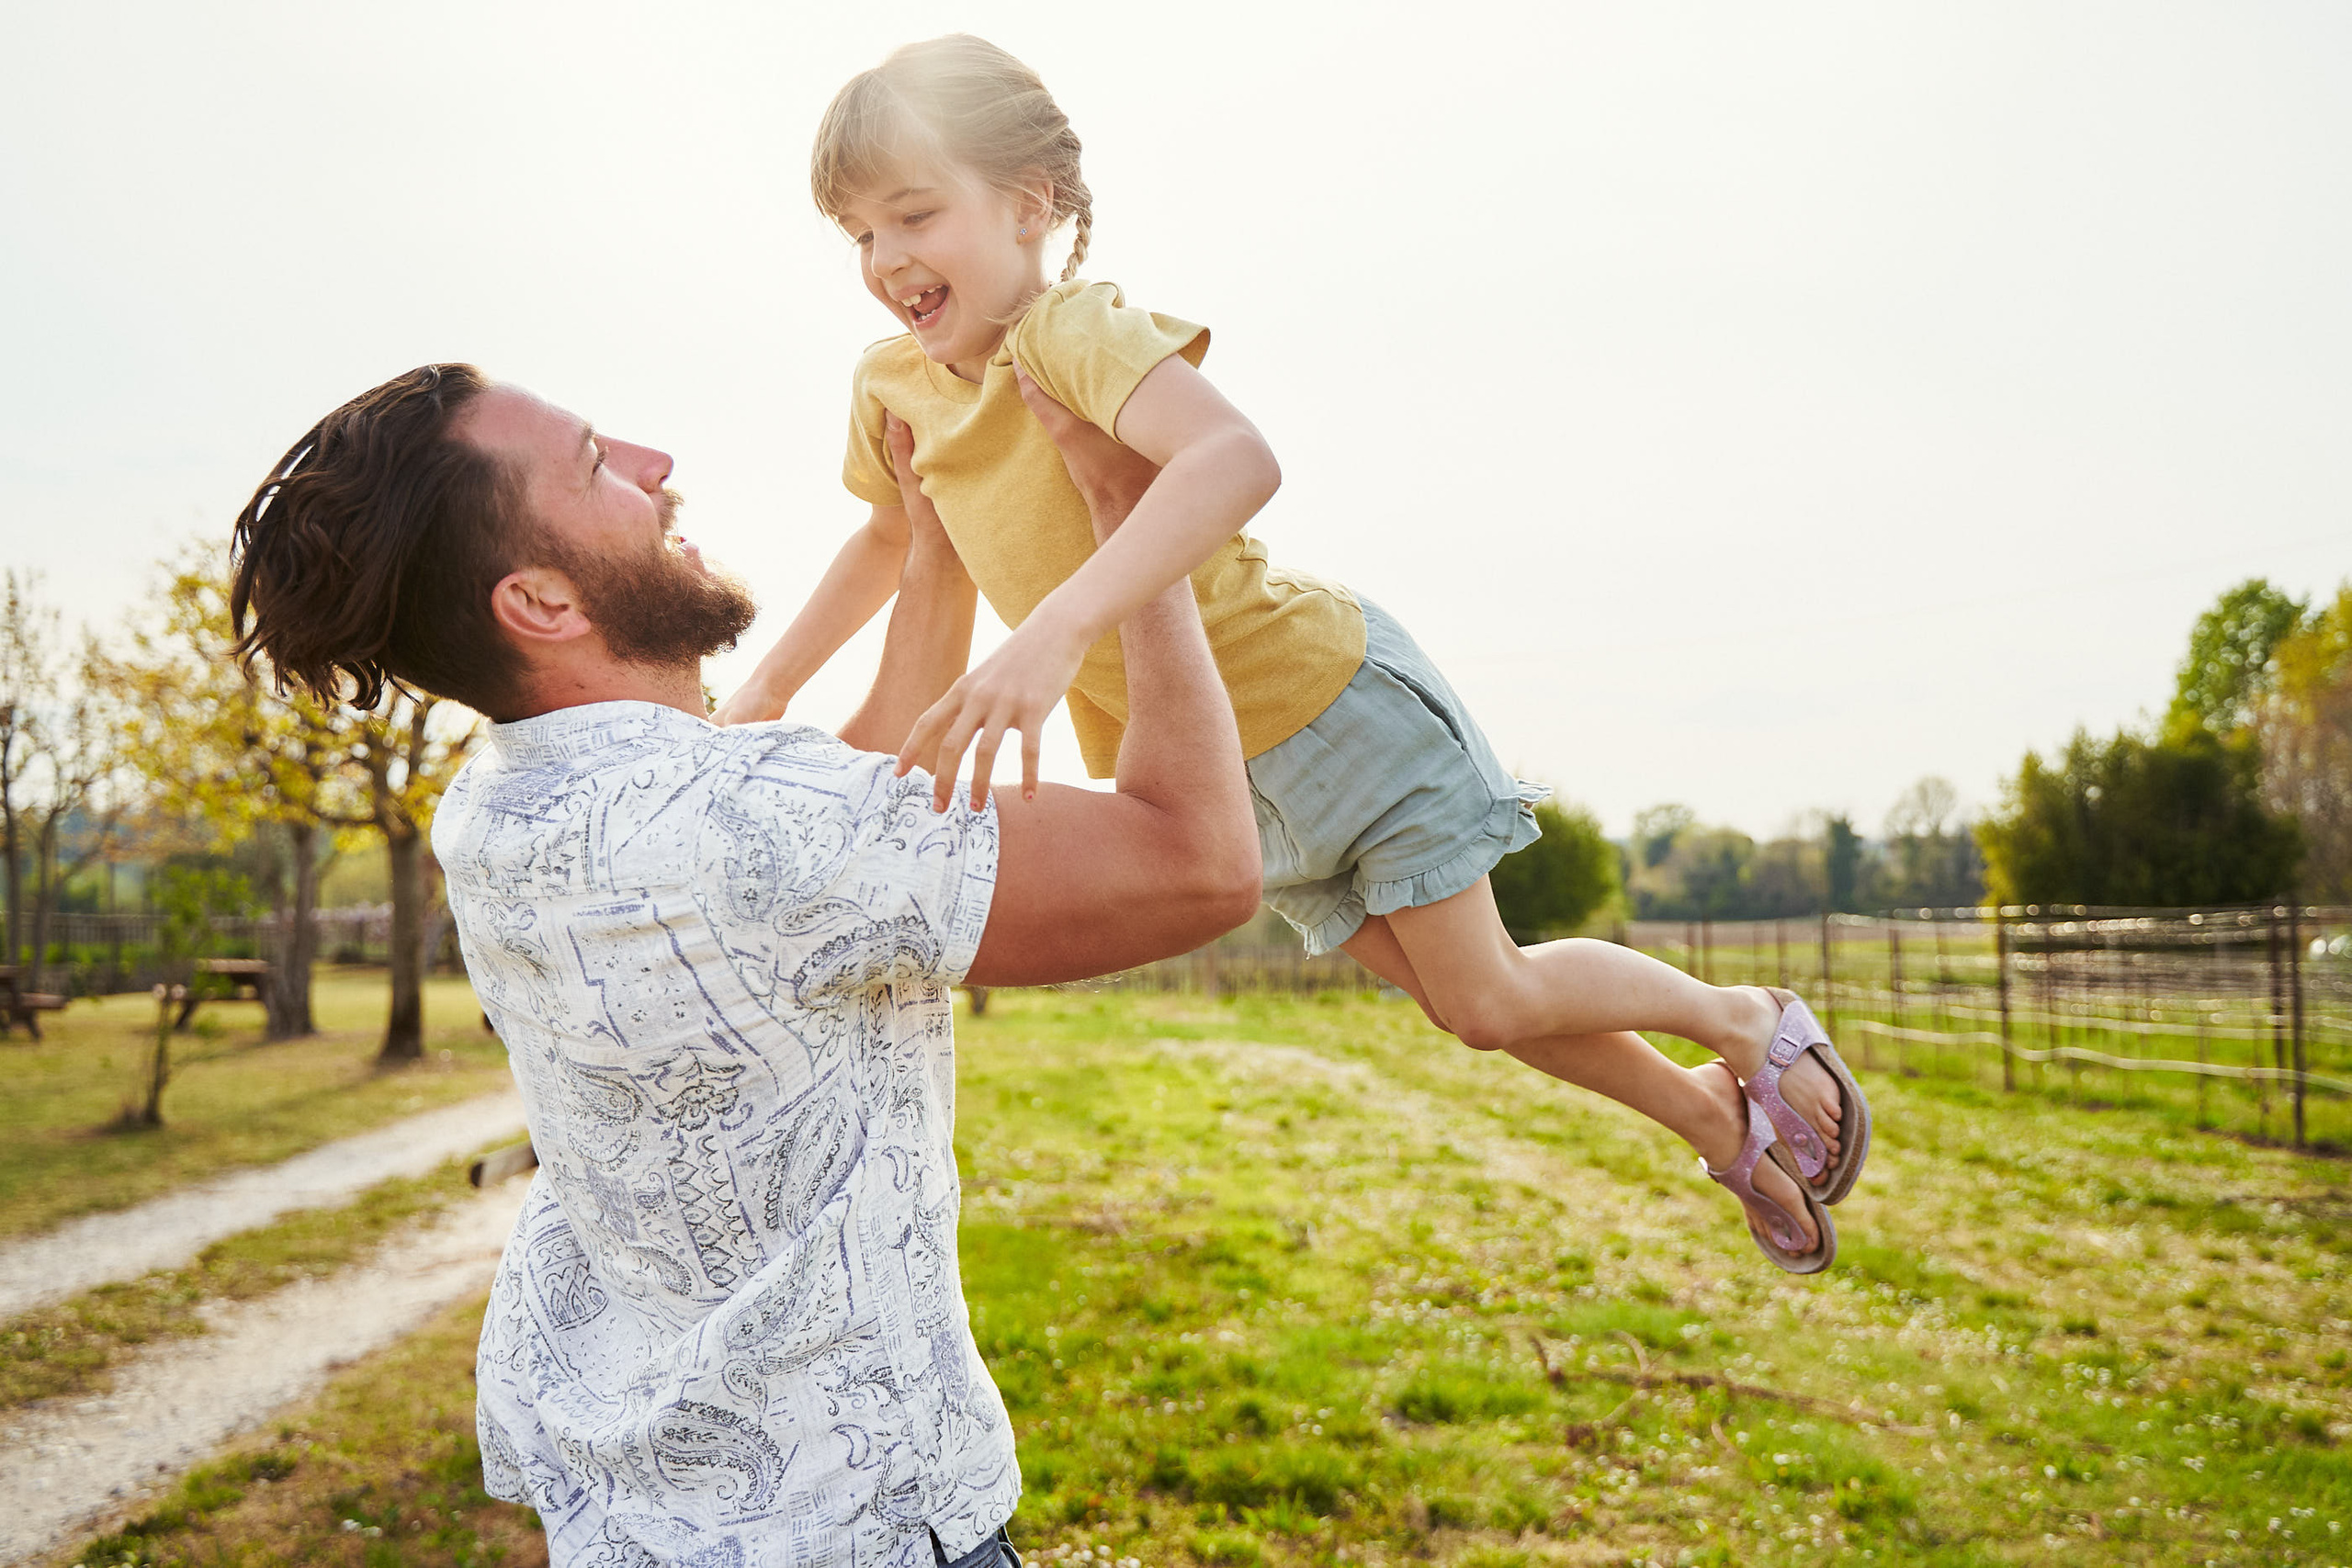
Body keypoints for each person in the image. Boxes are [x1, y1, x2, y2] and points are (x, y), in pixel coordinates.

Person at [712, 35, 1872, 1274]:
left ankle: (1737, 1018)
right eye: (859, 234)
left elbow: (1235, 460)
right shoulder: (892, 386)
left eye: (914, 215)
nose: (887, 260)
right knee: (1469, 1006)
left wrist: (1053, 633)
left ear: (1029, 203)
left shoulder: (1068, 334)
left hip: (1323, 702)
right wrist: (766, 689)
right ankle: (1711, 1116)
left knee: (1487, 996)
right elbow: (888, 540)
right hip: (1221, 785)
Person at [226, 362, 1261, 1568]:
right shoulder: (754, 829)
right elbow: (1197, 863)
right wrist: (1130, 520)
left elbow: (822, 849)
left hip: (640, 1528)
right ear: (541, 601)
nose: (656, 465)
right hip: (861, 1534)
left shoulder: (494, 810)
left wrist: (934, 551)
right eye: (598, 467)